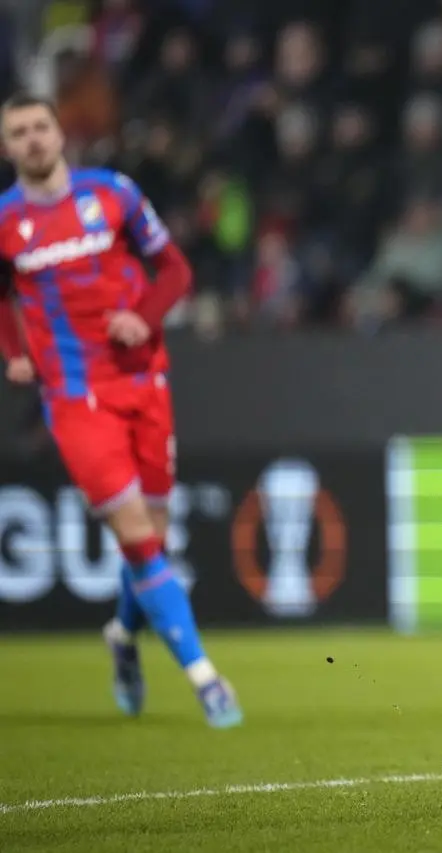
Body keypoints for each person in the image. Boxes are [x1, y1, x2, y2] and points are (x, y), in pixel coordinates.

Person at [0, 93, 242, 728]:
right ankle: (206, 679)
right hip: (74, 397)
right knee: (139, 540)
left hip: (144, 381)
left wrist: (145, 314)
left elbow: (175, 270)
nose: (31, 139)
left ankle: (122, 636)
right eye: (17, 132)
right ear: (7, 148)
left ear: (59, 133)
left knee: (152, 542)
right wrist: (13, 352)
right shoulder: (5, 222)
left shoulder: (113, 194)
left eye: (39, 126)